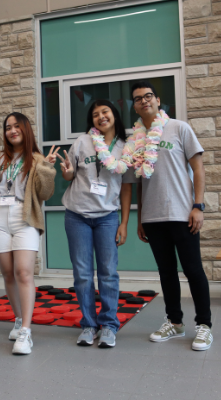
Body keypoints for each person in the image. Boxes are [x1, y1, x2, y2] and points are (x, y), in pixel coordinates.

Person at [123, 81, 212, 351]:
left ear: (158, 100)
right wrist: (139, 218)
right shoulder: (134, 140)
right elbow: (137, 182)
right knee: (166, 272)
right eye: (137, 99)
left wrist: (198, 205)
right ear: (134, 106)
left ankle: (204, 325)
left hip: (183, 212)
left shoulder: (179, 128)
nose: (143, 101)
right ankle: (174, 322)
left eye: (148, 96)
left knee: (193, 270)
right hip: (153, 216)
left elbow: (198, 169)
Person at [0, 112, 57, 355]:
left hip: (24, 217)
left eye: (16, 126)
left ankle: (26, 331)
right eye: (8, 127)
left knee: (23, 272)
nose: (12, 131)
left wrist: (48, 168)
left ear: (25, 129)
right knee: (8, 273)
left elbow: (45, 194)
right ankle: (19, 318)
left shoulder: (37, 158)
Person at [60, 100, 131, 348]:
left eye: (105, 112)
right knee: (82, 274)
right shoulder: (82, 141)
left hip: (108, 217)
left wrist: (124, 223)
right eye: (95, 114)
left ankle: (109, 325)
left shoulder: (126, 146)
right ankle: (89, 325)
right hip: (77, 214)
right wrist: (66, 171)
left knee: (108, 273)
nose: (101, 117)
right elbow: (69, 174)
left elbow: (126, 188)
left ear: (114, 115)